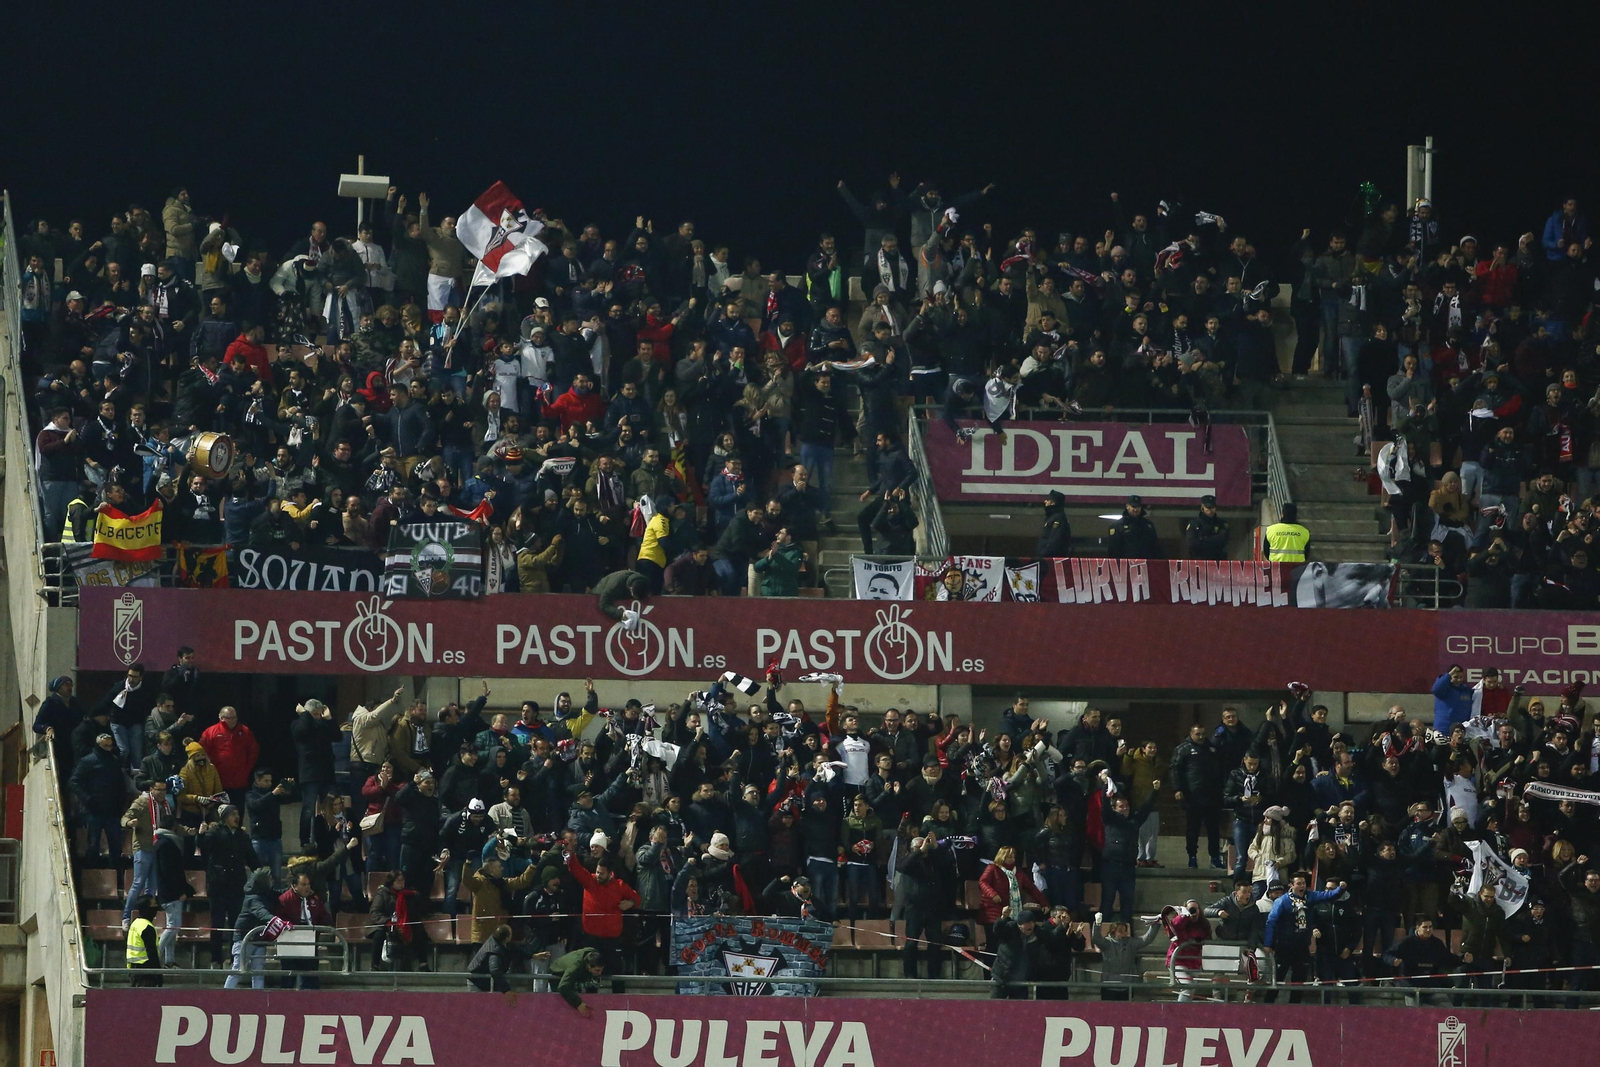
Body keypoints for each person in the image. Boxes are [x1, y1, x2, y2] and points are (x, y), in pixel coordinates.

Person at [1264, 871, 1347, 1002]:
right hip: (1284, 947)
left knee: (1299, 980)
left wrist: (1340, 889)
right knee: (1278, 978)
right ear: (1291, 885)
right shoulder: (1282, 901)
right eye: (1298, 883)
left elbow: (1328, 895)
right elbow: (1271, 922)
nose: (1302, 886)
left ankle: (1295, 1007)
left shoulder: (1310, 897)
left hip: (1302, 946)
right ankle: (1267, 1005)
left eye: (1303, 883)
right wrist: (1268, 943)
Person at [1170, 724, 1226, 869]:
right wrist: (1177, 788)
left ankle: (1214, 857)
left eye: (1202, 734)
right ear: (1191, 734)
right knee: (1193, 829)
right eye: (1197, 734)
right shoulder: (1183, 749)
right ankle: (1192, 857)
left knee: (1213, 829)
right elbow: (1174, 769)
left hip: (1212, 796)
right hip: (1192, 796)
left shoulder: (1211, 748)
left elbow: (1220, 769)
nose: (1201, 737)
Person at [1383, 916, 1460, 1006]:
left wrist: (1462, 958)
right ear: (1417, 928)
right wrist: (1393, 960)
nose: (1428, 930)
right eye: (1425, 927)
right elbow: (1387, 954)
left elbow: (1448, 958)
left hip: (1431, 988)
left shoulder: (1437, 943)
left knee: (1448, 1008)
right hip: (1411, 989)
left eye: (1430, 927)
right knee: (1414, 1013)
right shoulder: (1406, 942)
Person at [200, 705, 259, 809]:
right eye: (229, 718)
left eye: (234, 717)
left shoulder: (245, 731)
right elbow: (202, 752)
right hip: (219, 781)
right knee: (220, 811)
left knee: (238, 810)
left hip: (240, 781)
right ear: (221, 718)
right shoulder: (210, 732)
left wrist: (247, 769)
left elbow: (253, 751)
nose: (232, 720)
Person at [1092, 920, 1164, 1001]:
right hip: (1108, 987)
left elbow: (1147, 939)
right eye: (1120, 931)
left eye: (1125, 930)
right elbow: (1096, 939)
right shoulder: (1107, 943)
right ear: (1113, 932)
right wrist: (1097, 924)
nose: (1123, 933)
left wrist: (1155, 925)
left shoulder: (1131, 943)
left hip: (1127, 987)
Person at [549, 945, 606, 1014]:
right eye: (597, 970)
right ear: (589, 966)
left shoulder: (593, 955)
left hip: (578, 972)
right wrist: (578, 1003)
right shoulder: (575, 967)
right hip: (557, 973)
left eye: (601, 970)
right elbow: (563, 986)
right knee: (566, 1002)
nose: (600, 973)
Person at [125, 896, 163, 986]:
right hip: (145, 971)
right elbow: (152, 953)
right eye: (154, 904)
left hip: (133, 968)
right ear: (147, 908)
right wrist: (159, 974)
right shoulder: (147, 927)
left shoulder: (135, 923)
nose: (156, 907)